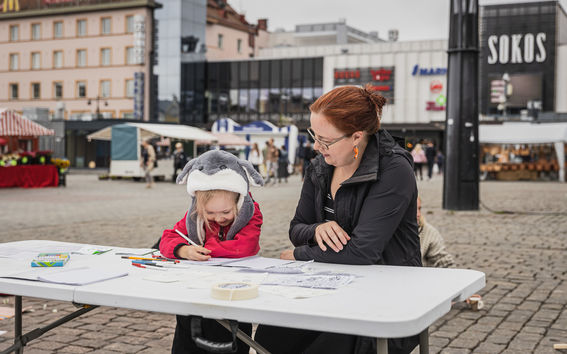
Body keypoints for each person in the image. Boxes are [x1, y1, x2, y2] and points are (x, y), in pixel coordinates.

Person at [255, 84, 421, 354]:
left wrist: (299, 254)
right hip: (328, 285)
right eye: (313, 135)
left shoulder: (393, 168)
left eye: (325, 140)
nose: (316, 146)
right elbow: (297, 227)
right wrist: (318, 228)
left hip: (386, 295)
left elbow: (363, 251)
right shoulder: (321, 166)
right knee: (270, 336)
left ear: (356, 137)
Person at [159, 150, 264, 354]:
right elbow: (167, 238)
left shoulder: (251, 214)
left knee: (230, 335)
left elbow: (244, 247)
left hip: (234, 291)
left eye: (226, 212)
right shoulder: (196, 215)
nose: (219, 219)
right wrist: (183, 249)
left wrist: (207, 248)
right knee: (188, 336)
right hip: (198, 290)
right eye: (210, 213)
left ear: (238, 202)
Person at [417, 196, 455, 268]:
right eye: (413, 209)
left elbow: (444, 262)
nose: (418, 214)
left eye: (419, 209)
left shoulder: (428, 232)